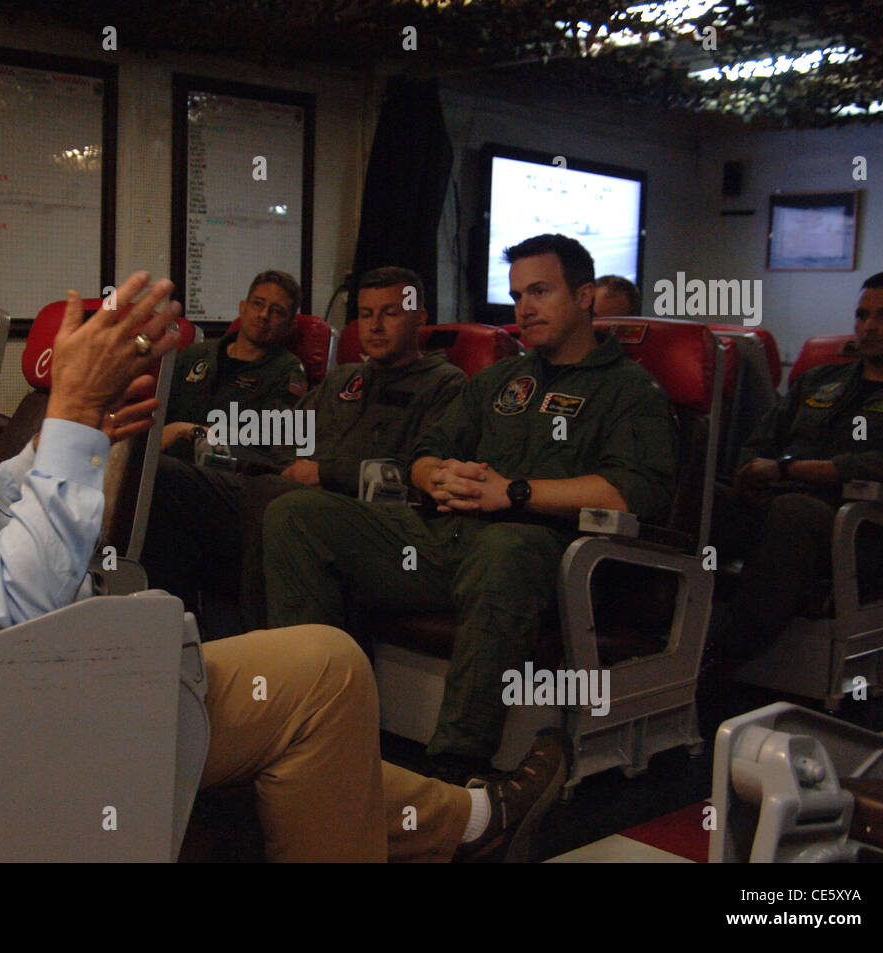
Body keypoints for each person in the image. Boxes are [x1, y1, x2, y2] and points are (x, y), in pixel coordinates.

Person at [0, 211, 567, 862]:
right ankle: (466, 821)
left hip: (0, 694)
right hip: (2, 730)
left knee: (310, 699)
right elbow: (20, 600)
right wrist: (62, 419)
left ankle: (465, 821)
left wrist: (80, 424)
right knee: (327, 673)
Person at [265, 234, 677, 783]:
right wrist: (433, 473)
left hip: (548, 559)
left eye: (540, 292)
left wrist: (516, 492)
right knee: (295, 514)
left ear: (584, 297)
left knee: (508, 546)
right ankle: (320, 729)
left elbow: (633, 493)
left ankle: (458, 772)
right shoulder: (502, 381)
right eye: (517, 295)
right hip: (444, 540)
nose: (524, 308)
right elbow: (421, 453)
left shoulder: (629, 390)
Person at [143, 267, 466, 635]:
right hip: (280, 486)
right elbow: (280, 440)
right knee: (163, 476)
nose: (375, 325)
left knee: (276, 501)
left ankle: (266, 658)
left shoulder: (445, 385)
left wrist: (324, 474)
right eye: (365, 314)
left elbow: (419, 472)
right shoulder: (345, 378)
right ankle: (172, 639)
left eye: (390, 313)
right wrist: (205, 437)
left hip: (358, 515)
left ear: (420, 318)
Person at [712, 270, 883, 659]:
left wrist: (789, 470)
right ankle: (652, 639)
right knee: (707, 501)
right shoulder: (818, 381)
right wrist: (753, 475)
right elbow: (757, 445)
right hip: (775, 507)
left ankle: (721, 658)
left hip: (864, 529)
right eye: (862, 315)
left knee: (796, 512)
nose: (868, 327)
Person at [160, 270, 308, 469]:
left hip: (229, 475)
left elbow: (272, 443)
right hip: (166, 460)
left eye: (277, 311)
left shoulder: (287, 372)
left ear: (290, 326)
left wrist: (191, 431)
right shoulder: (195, 355)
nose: (264, 315)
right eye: (258, 303)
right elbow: (158, 412)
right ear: (243, 308)